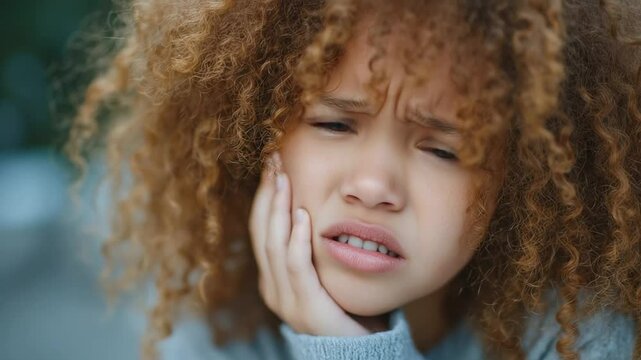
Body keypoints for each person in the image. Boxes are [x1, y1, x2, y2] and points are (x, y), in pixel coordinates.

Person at [63, 0, 641, 359]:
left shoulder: (575, 337)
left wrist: (348, 353)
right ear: (253, 133)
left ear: (520, 181)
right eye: (336, 123)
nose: (372, 185)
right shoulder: (212, 334)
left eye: (442, 150)